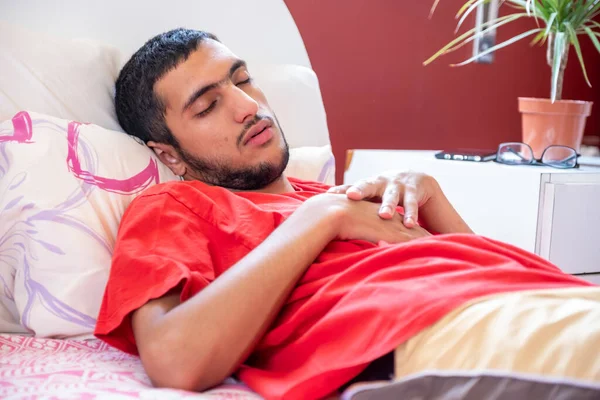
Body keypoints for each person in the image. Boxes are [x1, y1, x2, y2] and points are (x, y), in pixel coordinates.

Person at [94, 28, 598, 400]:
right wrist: (321, 218)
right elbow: (175, 361)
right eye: (207, 106)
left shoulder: (342, 193)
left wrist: (435, 203)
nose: (248, 107)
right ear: (170, 155)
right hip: (429, 329)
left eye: (243, 81)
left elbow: (481, 269)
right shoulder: (173, 207)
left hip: (537, 295)